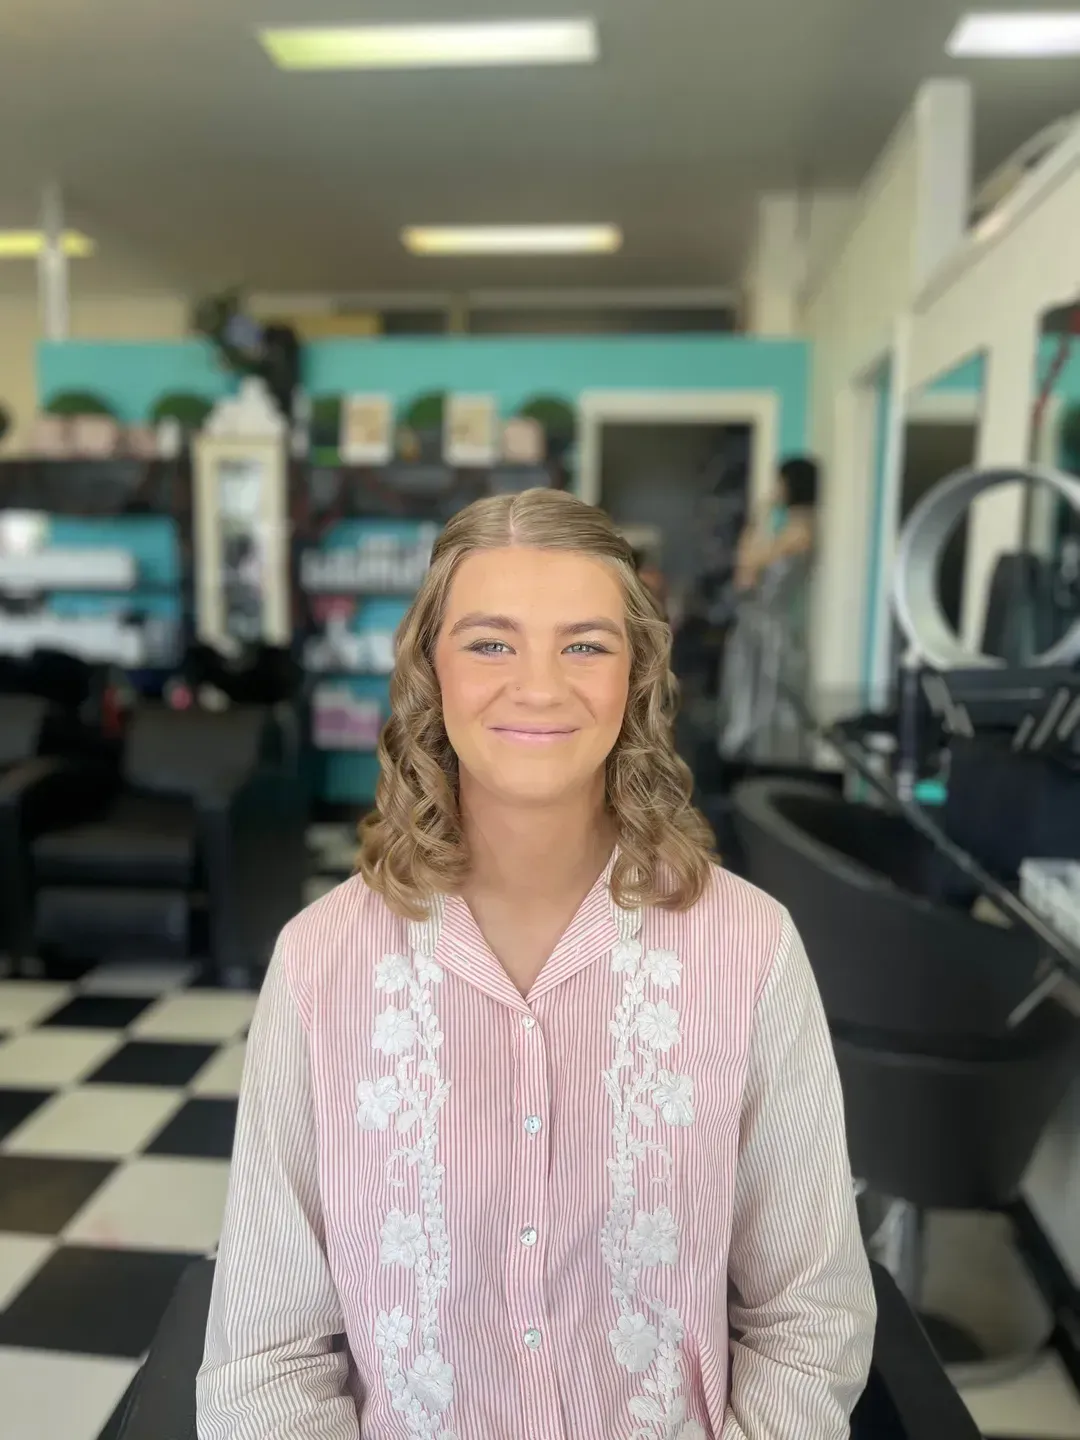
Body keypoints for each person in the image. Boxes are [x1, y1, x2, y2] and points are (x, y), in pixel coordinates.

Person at [197, 487, 875, 1440]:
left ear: (635, 670)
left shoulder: (751, 949)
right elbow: (266, 1356)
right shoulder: (321, 965)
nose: (540, 685)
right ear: (430, 666)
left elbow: (810, 1319)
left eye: (586, 644)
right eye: (490, 641)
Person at [734, 455, 818, 594]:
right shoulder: (794, 526)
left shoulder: (799, 531)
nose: (776, 489)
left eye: (780, 483)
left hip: (777, 612)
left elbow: (746, 560)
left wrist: (761, 511)